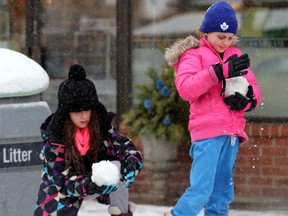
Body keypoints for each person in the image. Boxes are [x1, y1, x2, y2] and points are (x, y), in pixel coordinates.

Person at [164, 1, 261, 216]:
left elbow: (253, 86)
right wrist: (218, 72)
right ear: (205, 33)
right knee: (202, 188)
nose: (225, 42)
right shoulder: (194, 55)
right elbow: (186, 89)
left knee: (222, 191)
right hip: (207, 133)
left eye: (229, 38)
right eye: (220, 36)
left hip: (232, 132)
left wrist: (247, 100)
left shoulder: (235, 55)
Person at [34, 64, 142, 216]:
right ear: (67, 112)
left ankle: (121, 213)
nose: (84, 116)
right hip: (66, 186)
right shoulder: (56, 138)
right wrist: (91, 185)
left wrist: (131, 164)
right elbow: (61, 182)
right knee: (53, 202)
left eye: (87, 109)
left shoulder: (101, 126)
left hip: (100, 182)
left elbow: (125, 147)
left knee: (118, 165)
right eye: (78, 111)